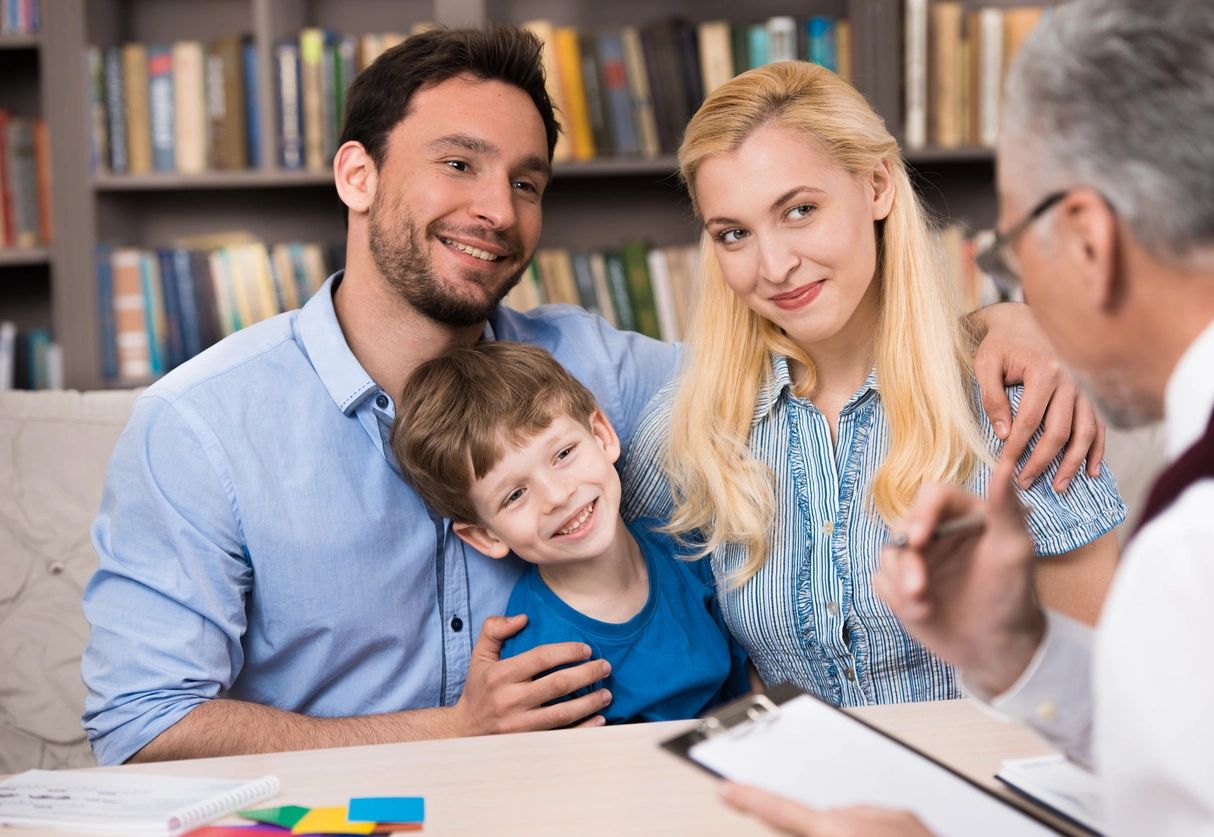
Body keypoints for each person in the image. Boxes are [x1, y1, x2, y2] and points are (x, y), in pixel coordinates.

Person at [80, 25, 1102, 766]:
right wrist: (449, 732)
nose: (495, 208)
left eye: (526, 181)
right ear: (356, 176)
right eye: (458, 164)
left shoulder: (604, 381)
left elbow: (812, 350)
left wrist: (1004, 326)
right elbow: (139, 722)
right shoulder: (202, 426)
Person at [723, 0, 1214, 834]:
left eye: (1011, 252)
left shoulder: (1212, 530)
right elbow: (1191, 753)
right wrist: (1022, 653)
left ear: (1087, 239)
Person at [622, 60, 1124, 712]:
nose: (774, 266)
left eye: (799, 210)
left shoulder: (1018, 404)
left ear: (878, 186)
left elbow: (1105, 695)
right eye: (734, 233)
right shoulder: (689, 429)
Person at [390, 341, 750, 723]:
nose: (558, 496)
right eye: (515, 495)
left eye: (563, 454)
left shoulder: (688, 548)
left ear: (601, 435)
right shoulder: (541, 659)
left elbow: (752, 683)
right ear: (486, 537)